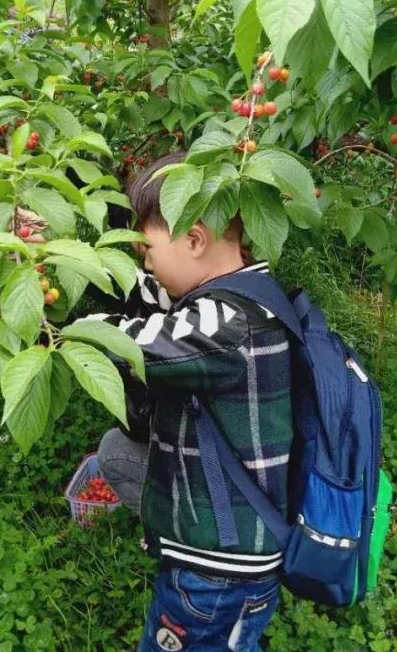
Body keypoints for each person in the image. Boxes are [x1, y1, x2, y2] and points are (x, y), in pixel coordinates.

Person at [82, 151, 294, 651]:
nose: (144, 264)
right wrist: (53, 256)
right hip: (237, 556)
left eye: (147, 251)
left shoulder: (228, 323)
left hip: (218, 568)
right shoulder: (242, 291)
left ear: (194, 239)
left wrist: (58, 330)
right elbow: (142, 295)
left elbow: (137, 338)